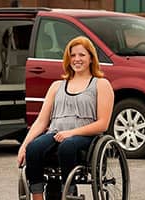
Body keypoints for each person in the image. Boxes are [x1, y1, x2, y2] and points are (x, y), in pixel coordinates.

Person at [17, 36, 114, 200]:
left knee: (67, 146)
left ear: (91, 58)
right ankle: (37, 197)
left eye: (82, 55)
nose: (77, 59)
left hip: (85, 136)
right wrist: (24, 145)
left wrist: (71, 133)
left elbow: (102, 124)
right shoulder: (57, 86)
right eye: (73, 55)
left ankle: (68, 194)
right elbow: (41, 121)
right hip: (56, 133)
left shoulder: (100, 84)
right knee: (33, 148)